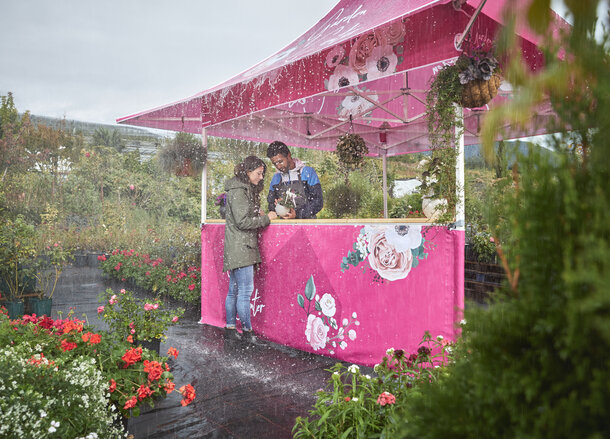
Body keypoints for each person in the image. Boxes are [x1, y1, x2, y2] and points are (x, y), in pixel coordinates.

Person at [223, 156, 277, 343]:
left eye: (262, 173)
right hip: (242, 248)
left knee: (234, 291)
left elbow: (242, 216)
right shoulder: (239, 191)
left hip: (237, 246)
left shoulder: (240, 188)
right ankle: (248, 332)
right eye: (258, 173)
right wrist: (267, 218)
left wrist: (258, 213)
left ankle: (230, 329)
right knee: (244, 292)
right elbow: (242, 221)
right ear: (248, 172)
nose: (261, 177)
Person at [266, 141, 323, 219]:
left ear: (288, 155)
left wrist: (298, 214)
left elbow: (318, 202)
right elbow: (271, 205)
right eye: (275, 163)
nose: (278, 166)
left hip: (307, 223)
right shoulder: (276, 178)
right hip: (285, 225)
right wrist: (277, 205)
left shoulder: (307, 172)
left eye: (280, 161)